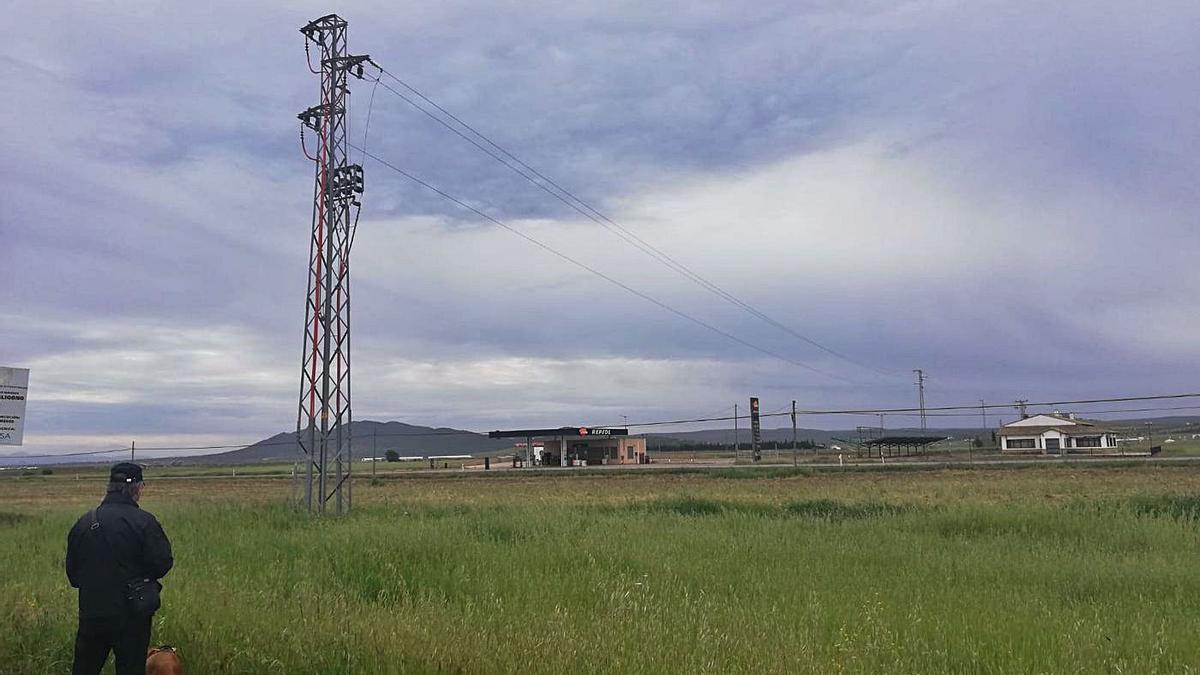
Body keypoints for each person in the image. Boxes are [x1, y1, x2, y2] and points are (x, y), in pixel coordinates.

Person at [66, 462, 173, 675]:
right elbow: (162, 564)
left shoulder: (84, 523)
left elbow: (74, 577)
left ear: (109, 487)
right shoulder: (145, 522)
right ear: (138, 488)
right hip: (133, 616)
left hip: (92, 614)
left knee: (84, 669)